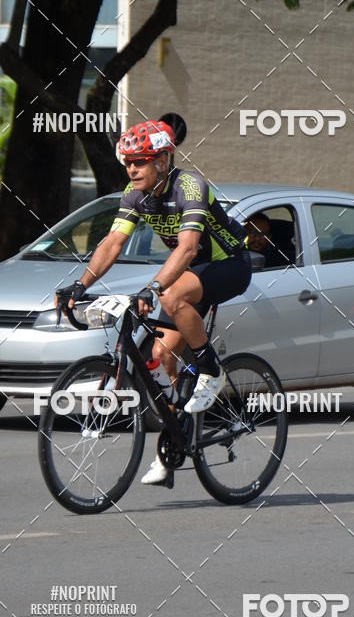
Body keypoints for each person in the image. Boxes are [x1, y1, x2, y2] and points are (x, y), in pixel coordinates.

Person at [56, 120, 252, 487]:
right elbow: (113, 243)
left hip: (229, 264)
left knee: (171, 295)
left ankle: (211, 370)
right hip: (191, 271)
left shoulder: (189, 187)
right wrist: (80, 285)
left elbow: (188, 248)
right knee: (162, 354)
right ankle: (175, 440)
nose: (132, 169)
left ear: (162, 160)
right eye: (128, 162)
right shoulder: (135, 195)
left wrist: (154, 287)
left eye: (140, 162)